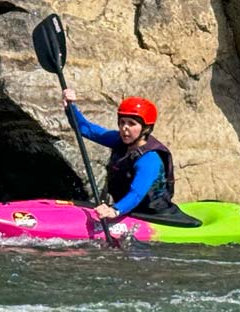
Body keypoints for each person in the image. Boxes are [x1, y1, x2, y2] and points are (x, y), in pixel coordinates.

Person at [61, 89, 181, 223]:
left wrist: (115, 210)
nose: (125, 128)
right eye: (122, 122)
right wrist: (70, 107)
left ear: (146, 128)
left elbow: (136, 193)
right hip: (126, 209)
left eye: (131, 124)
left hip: (151, 214)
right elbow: (85, 129)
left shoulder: (149, 159)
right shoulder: (119, 140)